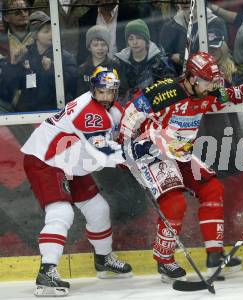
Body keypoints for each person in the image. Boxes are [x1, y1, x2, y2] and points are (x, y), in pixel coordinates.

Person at [119, 51, 243, 283]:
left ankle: (215, 257)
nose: (211, 87)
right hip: (153, 152)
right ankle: (164, 260)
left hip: (179, 152)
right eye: (208, 81)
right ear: (193, 78)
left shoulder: (206, 91)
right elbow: (131, 113)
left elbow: (228, 95)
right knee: (175, 203)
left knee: (212, 189)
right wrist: (125, 147)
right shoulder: (165, 91)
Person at [20, 67, 152, 296]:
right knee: (62, 212)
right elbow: (106, 155)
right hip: (45, 159)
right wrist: (138, 154)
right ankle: (47, 271)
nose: (106, 97)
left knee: (98, 208)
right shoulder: (91, 113)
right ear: (93, 90)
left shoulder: (112, 110)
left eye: (111, 92)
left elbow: (123, 133)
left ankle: (103, 259)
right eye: (101, 91)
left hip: (70, 158)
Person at [115, 19, 176, 105]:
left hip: (155, 108)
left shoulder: (161, 61)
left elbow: (170, 89)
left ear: (146, 39)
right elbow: (117, 92)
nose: (135, 42)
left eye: (139, 38)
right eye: (131, 39)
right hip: (128, 110)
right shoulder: (119, 62)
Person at [77, 25, 119, 95]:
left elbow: (121, 91)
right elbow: (79, 95)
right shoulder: (82, 69)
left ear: (108, 46)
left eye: (103, 44)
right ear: (89, 47)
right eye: (95, 45)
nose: (100, 48)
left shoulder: (115, 67)